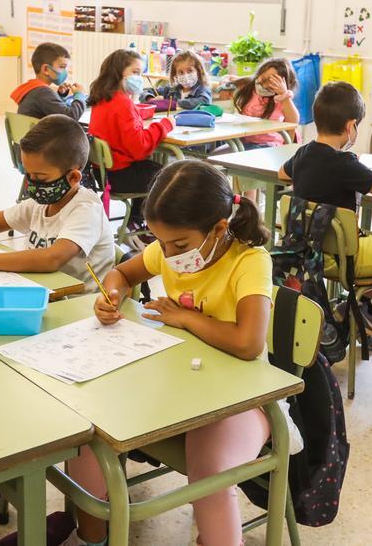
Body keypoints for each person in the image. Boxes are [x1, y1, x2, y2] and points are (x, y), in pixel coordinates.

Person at [80, 160, 274, 546]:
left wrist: (184, 317)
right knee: (90, 428)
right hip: (176, 388)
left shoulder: (249, 262)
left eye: (179, 245)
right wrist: (113, 295)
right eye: (160, 242)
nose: (167, 255)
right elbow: (122, 273)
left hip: (242, 400)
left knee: (209, 472)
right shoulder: (172, 250)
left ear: (219, 228)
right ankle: (90, 536)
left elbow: (249, 343)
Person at [0, 115, 114, 292]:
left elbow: (52, 259)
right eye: (28, 175)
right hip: (43, 292)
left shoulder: (86, 210)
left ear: (73, 177)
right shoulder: (39, 204)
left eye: (40, 177)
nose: (31, 183)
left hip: (82, 305)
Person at [279, 81, 372, 303]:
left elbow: (282, 173)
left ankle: (362, 301)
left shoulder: (304, 153)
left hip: (307, 254)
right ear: (351, 126)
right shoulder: (346, 164)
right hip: (343, 257)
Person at [86, 49, 173, 233]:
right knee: (169, 177)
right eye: (135, 72)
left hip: (103, 174)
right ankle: (140, 226)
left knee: (150, 167)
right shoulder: (122, 103)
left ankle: (135, 221)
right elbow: (140, 148)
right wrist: (164, 125)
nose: (139, 78)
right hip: (120, 177)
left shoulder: (102, 98)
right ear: (118, 73)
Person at [232, 57, 301, 149]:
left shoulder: (282, 98)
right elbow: (229, 82)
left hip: (268, 144)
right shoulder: (250, 87)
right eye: (263, 80)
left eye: (272, 83)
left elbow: (293, 121)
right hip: (244, 141)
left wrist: (284, 95)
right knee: (214, 155)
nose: (265, 85)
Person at [12, 42, 87, 120]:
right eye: (62, 67)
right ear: (46, 69)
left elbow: (51, 108)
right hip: (44, 132)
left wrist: (60, 96)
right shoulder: (43, 92)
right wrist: (80, 96)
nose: (65, 72)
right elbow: (70, 117)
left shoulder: (33, 87)